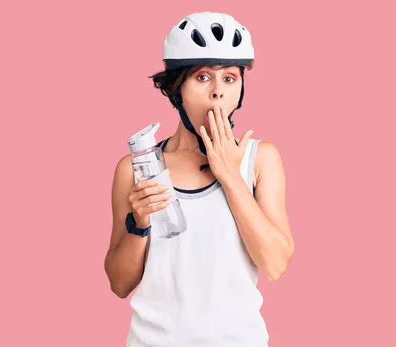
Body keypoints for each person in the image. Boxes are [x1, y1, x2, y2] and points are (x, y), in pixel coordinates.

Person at [104, 11, 294, 346]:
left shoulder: (260, 159)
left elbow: (276, 264)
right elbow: (119, 284)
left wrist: (230, 178)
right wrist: (139, 223)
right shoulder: (135, 168)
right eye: (203, 77)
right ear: (176, 88)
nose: (217, 92)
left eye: (230, 78)